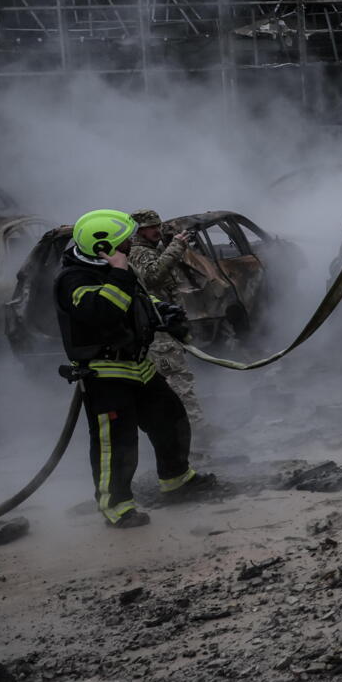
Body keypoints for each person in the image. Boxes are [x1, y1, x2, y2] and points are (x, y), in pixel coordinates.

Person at [56, 208, 215, 528]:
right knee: (116, 442)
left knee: (170, 418)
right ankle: (116, 506)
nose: (129, 245)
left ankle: (176, 478)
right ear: (103, 246)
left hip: (138, 364)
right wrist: (119, 271)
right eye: (122, 241)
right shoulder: (74, 279)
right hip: (104, 372)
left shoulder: (113, 270)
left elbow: (139, 300)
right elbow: (102, 311)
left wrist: (165, 314)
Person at [125, 210, 200, 421]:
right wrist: (175, 248)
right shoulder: (139, 252)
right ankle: (194, 436)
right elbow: (152, 277)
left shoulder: (151, 250)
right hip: (157, 331)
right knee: (178, 383)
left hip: (164, 325)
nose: (156, 230)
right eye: (150, 227)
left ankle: (191, 432)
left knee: (178, 380)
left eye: (157, 225)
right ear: (138, 230)